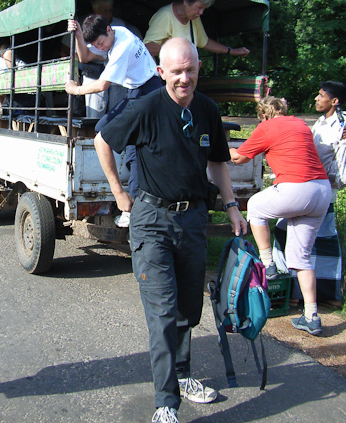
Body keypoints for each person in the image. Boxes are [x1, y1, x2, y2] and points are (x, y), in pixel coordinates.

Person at [94, 37, 247, 423]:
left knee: (187, 308)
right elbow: (102, 139)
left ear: (198, 68)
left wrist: (231, 207)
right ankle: (166, 402)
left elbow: (217, 164)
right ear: (161, 72)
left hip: (193, 219)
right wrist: (118, 192)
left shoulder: (208, 110)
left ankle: (182, 375)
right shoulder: (145, 107)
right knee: (162, 311)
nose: (184, 78)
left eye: (190, 70)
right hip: (152, 222)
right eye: (176, 71)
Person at [229, 96, 332, 336]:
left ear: (263, 115)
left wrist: (227, 148)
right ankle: (311, 316)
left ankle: (268, 264)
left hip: (297, 188)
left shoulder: (266, 127)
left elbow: (239, 158)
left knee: (255, 206)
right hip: (321, 191)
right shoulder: (300, 124)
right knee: (301, 258)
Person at [65, 14, 162, 226]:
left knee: (129, 143)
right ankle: (135, 178)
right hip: (137, 91)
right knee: (103, 127)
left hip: (148, 91)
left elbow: (102, 85)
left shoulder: (123, 44)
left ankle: (132, 205)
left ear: (109, 29)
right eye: (97, 44)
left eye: (101, 43)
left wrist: (76, 90)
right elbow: (85, 57)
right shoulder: (114, 34)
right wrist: (79, 35)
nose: (100, 47)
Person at [275, 81, 346, 307]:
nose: (316, 98)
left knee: (314, 240)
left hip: (325, 191)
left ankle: (311, 294)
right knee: (307, 237)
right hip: (310, 185)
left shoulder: (345, 125)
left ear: (334, 101)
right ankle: (308, 293)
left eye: (321, 95)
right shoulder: (320, 123)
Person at [143, 0, 250, 59]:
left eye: (204, 9)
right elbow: (147, 48)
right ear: (186, 2)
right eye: (199, 7)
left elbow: (204, 42)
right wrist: (178, 51)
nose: (201, 13)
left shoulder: (194, 18)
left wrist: (232, 51)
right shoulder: (165, 15)